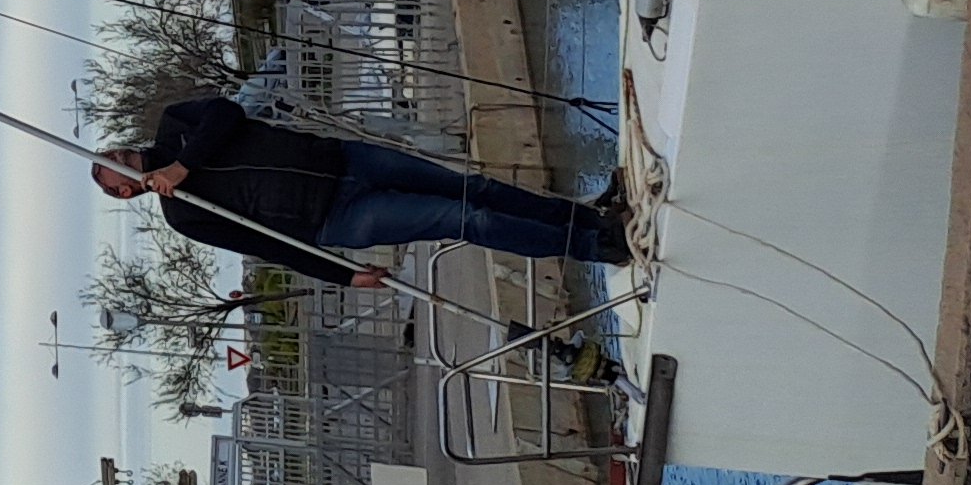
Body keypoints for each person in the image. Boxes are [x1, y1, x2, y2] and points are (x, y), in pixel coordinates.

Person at [90, 94, 626, 287]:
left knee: (475, 187)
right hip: (340, 218)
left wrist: (183, 165)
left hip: (344, 159)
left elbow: (227, 114)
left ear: (119, 153)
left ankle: (589, 219)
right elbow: (269, 247)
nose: (126, 187)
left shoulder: (174, 126)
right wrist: (345, 275)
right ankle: (594, 248)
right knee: (465, 219)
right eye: (120, 194)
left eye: (117, 172)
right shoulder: (182, 216)